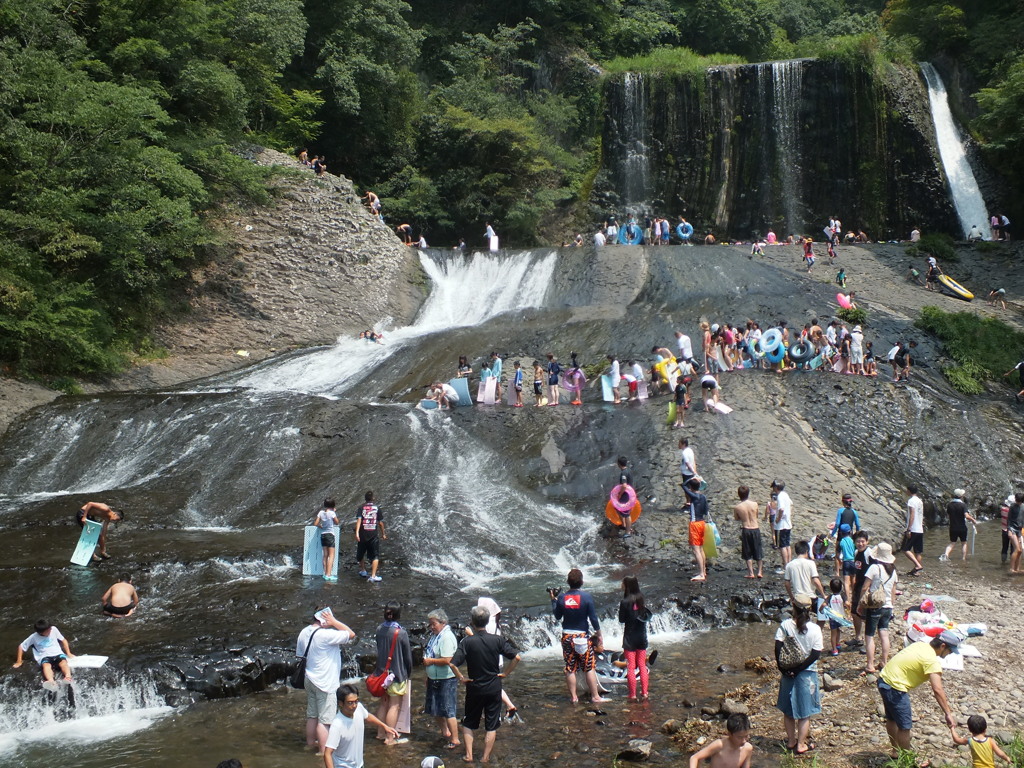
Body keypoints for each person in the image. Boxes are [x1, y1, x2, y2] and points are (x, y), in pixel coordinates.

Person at [449, 605, 521, 764]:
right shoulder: (497, 640)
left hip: (474, 687)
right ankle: (485, 757)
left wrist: (461, 678)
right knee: (491, 725)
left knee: (468, 722)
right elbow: (516, 657)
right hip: (494, 686)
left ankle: (468, 755)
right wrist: (506, 673)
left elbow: (453, 664)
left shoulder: (467, 642)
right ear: (488, 621)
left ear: (472, 622)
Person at [877, 631, 960, 756]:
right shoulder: (931, 661)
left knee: (892, 719)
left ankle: (896, 752)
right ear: (943, 646)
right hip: (895, 688)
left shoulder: (920, 645)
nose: (950, 654)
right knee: (904, 727)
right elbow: (937, 689)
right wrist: (948, 713)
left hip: (884, 679)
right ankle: (906, 759)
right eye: (950, 650)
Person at [296, 608, 356, 754]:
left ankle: (310, 744)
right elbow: (351, 635)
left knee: (312, 715)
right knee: (325, 721)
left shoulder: (304, 632)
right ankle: (324, 753)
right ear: (324, 619)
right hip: (325, 683)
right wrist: (335, 622)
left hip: (309, 679)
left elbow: (299, 654)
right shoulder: (326, 635)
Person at [550, 568, 608, 704]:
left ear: (568, 582)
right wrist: (599, 634)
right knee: (588, 666)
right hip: (582, 636)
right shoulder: (586, 597)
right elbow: (593, 618)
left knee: (570, 668)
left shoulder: (563, 597)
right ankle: (595, 696)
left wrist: (553, 600)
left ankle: (574, 697)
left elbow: (558, 616)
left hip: (567, 636)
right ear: (581, 582)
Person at [774, 597, 823, 755]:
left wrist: (782, 668)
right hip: (807, 673)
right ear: (809, 609)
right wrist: (800, 669)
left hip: (788, 672)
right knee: (804, 712)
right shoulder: (815, 629)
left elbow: (778, 646)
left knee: (788, 710)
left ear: (793, 608)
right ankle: (801, 744)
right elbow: (815, 654)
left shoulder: (786, 625)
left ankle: (790, 741)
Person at [464, 597, 519, 721]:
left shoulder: (488, 624)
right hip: (495, 657)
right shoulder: (494, 622)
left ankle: (507, 706)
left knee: (489, 684)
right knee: (493, 684)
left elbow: (483, 641)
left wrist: (470, 634)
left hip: (487, 657)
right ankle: (506, 707)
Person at [323, 684, 398, 768]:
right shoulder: (337, 725)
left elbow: (367, 716)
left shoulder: (359, 708)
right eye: (350, 703)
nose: (354, 705)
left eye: (356, 701)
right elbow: (327, 753)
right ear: (341, 703)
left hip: (359, 765)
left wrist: (385, 726)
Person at [373, 602, 413, 746]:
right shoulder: (400, 633)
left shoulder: (379, 629)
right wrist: (408, 673)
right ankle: (390, 738)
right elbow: (407, 656)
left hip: (381, 674)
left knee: (383, 703)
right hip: (396, 675)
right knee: (394, 706)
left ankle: (380, 733)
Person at [423, 609, 460, 750]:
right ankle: (445, 732)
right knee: (434, 708)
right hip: (434, 677)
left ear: (443, 622)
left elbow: (448, 659)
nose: (431, 627)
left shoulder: (446, 637)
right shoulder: (435, 636)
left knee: (448, 709)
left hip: (446, 679)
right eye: (430, 624)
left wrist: (430, 661)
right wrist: (428, 675)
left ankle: (455, 739)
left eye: (434, 624)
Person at [861, 542, 898, 675]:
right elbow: (893, 591)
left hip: (875, 606)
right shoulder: (893, 571)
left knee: (869, 636)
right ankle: (884, 661)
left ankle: (870, 665)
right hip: (888, 606)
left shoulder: (874, 568)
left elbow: (865, 587)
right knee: (884, 634)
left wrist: (861, 603)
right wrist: (892, 606)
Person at [14, 619, 74, 689]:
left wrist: (68, 653)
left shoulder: (53, 629)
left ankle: (68, 677)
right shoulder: (33, 637)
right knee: (46, 666)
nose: (50, 630)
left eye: (50, 628)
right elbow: (21, 647)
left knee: (63, 663)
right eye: (48, 630)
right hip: (45, 656)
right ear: (41, 632)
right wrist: (19, 661)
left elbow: (63, 640)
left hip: (58, 653)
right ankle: (51, 681)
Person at [618, 576, 651, 702]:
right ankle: (645, 692)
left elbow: (621, 620)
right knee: (642, 665)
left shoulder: (625, 601)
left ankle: (632, 694)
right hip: (642, 636)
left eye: (623, 583)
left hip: (629, 638)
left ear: (627, 585)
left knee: (631, 666)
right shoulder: (641, 598)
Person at [688, 713, 753, 768]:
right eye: (739, 737)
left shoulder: (747, 749)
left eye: (746, 736)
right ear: (729, 734)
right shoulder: (720, 745)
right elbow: (694, 758)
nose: (744, 741)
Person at [683, 478, 710, 582]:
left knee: (696, 550)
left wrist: (689, 478)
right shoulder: (703, 497)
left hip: (694, 524)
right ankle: (704, 571)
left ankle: (701, 574)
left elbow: (683, 486)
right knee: (701, 548)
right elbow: (706, 511)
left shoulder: (693, 496)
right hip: (702, 523)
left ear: (691, 487)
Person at [733, 486, 763, 579]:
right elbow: (756, 515)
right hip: (755, 528)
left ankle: (751, 572)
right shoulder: (755, 504)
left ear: (739, 494)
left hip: (746, 529)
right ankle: (760, 572)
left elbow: (737, 518)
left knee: (747, 551)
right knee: (758, 550)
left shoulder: (737, 507)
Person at [356, 491, 386, 582]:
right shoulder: (377, 508)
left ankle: (363, 570)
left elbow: (359, 520)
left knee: (361, 553)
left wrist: (357, 532)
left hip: (363, 534)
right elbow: (380, 523)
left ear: (365, 499)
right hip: (373, 534)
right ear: (373, 498)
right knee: (375, 555)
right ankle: (373, 575)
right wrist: (383, 533)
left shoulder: (361, 508)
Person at [784, 541, 825, 605]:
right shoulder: (811, 563)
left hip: (798, 598)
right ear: (806, 551)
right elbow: (816, 581)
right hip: (811, 597)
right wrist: (823, 595)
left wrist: (791, 597)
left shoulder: (789, 565)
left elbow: (787, 584)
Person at [941, 489, 977, 561]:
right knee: (964, 543)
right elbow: (966, 516)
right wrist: (973, 520)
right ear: (961, 496)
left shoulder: (950, 505)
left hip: (952, 527)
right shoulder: (963, 505)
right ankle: (963, 558)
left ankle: (946, 554)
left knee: (952, 543)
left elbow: (948, 515)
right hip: (962, 527)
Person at [833, 493, 861, 575]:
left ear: (843, 502)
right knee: (851, 553)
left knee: (837, 553)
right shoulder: (854, 512)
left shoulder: (840, 511)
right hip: (850, 535)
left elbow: (837, 524)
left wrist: (832, 534)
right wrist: (857, 534)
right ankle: (852, 570)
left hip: (841, 534)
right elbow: (858, 525)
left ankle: (837, 572)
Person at [314, 498, 340, 581]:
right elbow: (337, 522)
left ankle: (325, 574)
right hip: (330, 534)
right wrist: (334, 512)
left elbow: (316, 523)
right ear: (333, 506)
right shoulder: (332, 513)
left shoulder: (321, 513)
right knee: (331, 555)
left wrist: (321, 526)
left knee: (325, 555)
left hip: (323, 535)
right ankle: (328, 575)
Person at [903, 485, 925, 574]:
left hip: (914, 528)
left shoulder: (911, 501)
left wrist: (909, 529)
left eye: (906, 490)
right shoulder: (919, 501)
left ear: (909, 490)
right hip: (920, 529)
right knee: (918, 551)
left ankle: (918, 565)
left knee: (905, 549)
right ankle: (917, 571)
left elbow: (912, 514)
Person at [773, 480, 794, 568]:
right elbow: (791, 504)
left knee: (782, 546)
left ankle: (786, 565)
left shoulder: (780, 496)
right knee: (787, 544)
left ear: (776, 487)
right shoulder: (785, 494)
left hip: (782, 525)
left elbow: (781, 509)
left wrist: (778, 519)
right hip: (788, 523)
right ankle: (789, 563)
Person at [613, 456, 635, 538]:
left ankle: (628, 532)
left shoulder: (623, 473)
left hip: (626, 496)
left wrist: (620, 494)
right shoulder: (629, 470)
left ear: (618, 464)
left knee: (626, 514)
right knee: (617, 508)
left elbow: (624, 485)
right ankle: (624, 525)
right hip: (629, 495)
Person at [825, 578, 846, 655]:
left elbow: (824, 604)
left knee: (833, 633)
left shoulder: (830, 597)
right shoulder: (842, 596)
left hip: (833, 618)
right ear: (841, 587)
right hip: (840, 617)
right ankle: (837, 644)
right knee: (838, 630)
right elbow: (847, 603)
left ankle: (834, 649)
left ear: (830, 588)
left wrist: (821, 610)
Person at [1007, 492, 1023, 574]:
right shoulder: (1012, 506)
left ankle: (1017, 569)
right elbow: (1009, 519)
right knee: (1017, 549)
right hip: (1012, 529)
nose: (1018, 502)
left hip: (1019, 530)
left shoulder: (1023, 506)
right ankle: (1011, 569)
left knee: (1020, 551)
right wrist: (1009, 530)